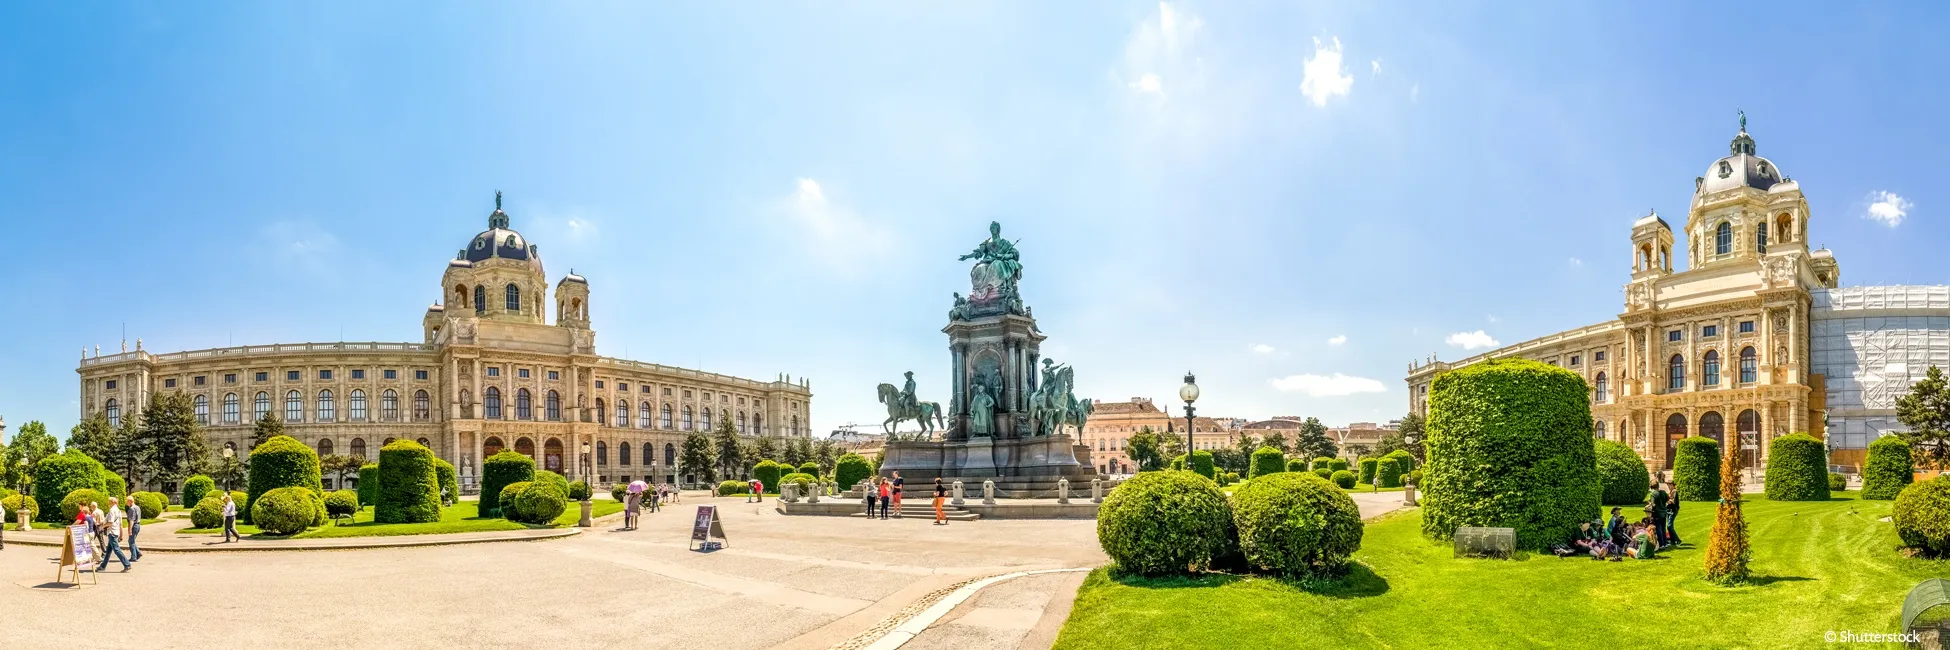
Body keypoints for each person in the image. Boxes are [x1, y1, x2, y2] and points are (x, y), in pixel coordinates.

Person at [96, 497, 131, 572]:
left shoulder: (112, 510)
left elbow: (110, 523)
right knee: (108, 551)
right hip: (115, 532)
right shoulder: (118, 511)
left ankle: (127, 564)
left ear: (112, 502)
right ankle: (102, 566)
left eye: (109, 502)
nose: (108, 503)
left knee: (116, 549)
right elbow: (120, 524)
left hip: (112, 532)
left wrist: (103, 526)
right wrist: (121, 535)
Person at [1648, 482, 1671, 548]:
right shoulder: (1663, 492)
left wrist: (1650, 503)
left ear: (1652, 487)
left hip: (1657, 513)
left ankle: (1661, 544)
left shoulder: (1653, 494)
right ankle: (1665, 542)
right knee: (1663, 528)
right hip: (1664, 512)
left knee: (1659, 529)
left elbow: (1653, 504)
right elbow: (1668, 500)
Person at [125, 497, 144, 562]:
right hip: (138, 525)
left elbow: (131, 520)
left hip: (134, 526)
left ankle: (134, 556)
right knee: (131, 541)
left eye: (127, 501)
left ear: (130, 501)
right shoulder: (137, 507)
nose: (126, 502)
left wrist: (129, 529)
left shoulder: (131, 509)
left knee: (131, 541)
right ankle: (138, 553)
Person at [1664, 482, 1683, 547]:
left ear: (1673, 485)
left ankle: (1678, 540)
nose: (1668, 486)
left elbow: (1673, 502)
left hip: (1673, 511)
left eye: (1669, 485)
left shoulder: (1674, 491)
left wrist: (1667, 500)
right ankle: (1672, 541)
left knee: (1669, 526)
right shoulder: (1671, 491)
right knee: (1670, 526)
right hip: (1669, 510)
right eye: (1668, 485)